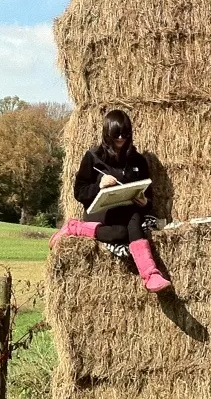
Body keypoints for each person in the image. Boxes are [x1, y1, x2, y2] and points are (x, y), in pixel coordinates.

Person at [50, 109, 172, 293]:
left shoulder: (138, 161)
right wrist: (99, 185)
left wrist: (144, 202)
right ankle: (150, 274)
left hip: (128, 214)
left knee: (130, 220)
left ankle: (150, 275)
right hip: (102, 213)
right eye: (116, 134)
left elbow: (149, 197)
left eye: (125, 134)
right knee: (126, 228)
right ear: (107, 133)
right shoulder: (93, 157)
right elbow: (79, 192)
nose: (121, 138)